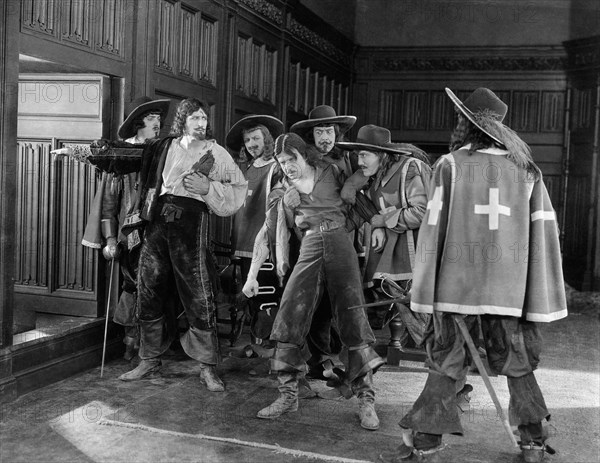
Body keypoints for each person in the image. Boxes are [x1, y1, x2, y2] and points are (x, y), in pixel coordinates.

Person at [380, 88, 568, 462]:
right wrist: (535, 293)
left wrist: (425, 288)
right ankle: (532, 441)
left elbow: (433, 230)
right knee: (519, 362)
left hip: (456, 288)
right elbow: (543, 235)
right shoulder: (527, 169)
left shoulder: (450, 165)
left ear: (468, 124)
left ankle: (425, 443)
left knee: (446, 361)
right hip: (510, 290)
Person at [243, 133, 384, 430]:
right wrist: (252, 274)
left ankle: (366, 399)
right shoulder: (284, 191)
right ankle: (287, 395)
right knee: (288, 316)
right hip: (309, 247)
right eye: (282, 162)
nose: (287, 167)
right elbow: (266, 233)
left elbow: (368, 177)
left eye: (290, 160)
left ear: (302, 154)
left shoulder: (333, 171)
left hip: (340, 244)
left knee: (353, 317)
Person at [118, 98, 248, 392]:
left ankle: (207, 367)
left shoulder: (216, 153)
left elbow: (239, 187)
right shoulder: (164, 146)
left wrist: (209, 188)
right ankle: (149, 359)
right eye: (195, 119)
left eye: (204, 118)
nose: (201, 124)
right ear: (183, 121)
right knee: (149, 286)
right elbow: (128, 155)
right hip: (157, 221)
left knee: (198, 291)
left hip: (191, 223)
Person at [53, 96, 171, 361]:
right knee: (135, 286)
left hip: (161, 231)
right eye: (152, 119)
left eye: (158, 119)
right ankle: (133, 341)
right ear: (138, 123)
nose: (158, 124)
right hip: (131, 235)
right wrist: (108, 239)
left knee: (158, 286)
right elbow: (108, 205)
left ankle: (154, 345)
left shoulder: (163, 152)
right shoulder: (120, 156)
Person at [337, 125, 432, 349]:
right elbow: (369, 210)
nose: (359, 161)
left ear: (382, 154)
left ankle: (446, 364)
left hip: (415, 255)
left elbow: (423, 212)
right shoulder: (375, 175)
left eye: (364, 155)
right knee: (393, 305)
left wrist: (383, 221)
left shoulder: (410, 169)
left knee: (419, 313)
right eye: (357, 155)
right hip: (390, 257)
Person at [289, 105, 358, 380]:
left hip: (343, 238)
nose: (325, 137)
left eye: (329, 130)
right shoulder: (304, 162)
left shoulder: (347, 161)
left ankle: (340, 358)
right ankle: (318, 359)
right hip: (311, 239)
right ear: (312, 135)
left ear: (336, 133)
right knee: (313, 302)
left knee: (340, 300)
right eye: (319, 131)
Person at [225, 115, 284, 344]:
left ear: (267, 139)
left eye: (256, 138)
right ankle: (256, 345)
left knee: (267, 297)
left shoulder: (276, 168)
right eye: (248, 140)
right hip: (243, 242)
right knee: (250, 297)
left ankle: (269, 349)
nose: (251, 144)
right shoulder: (246, 168)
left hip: (265, 243)